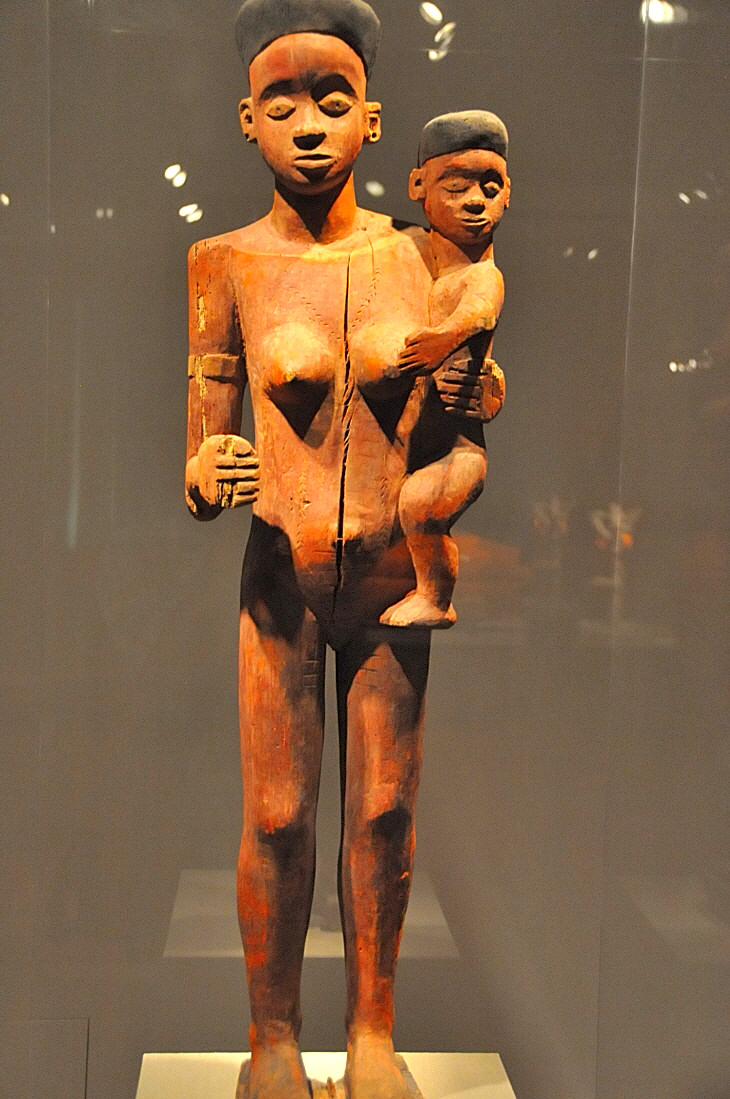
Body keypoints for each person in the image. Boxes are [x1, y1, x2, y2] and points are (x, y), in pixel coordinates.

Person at [184, 2, 476, 1096]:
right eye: (283, 103)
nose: (309, 124)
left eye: (333, 99)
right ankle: (271, 1039)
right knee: (276, 815)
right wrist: (207, 470)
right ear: (247, 120)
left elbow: (461, 420)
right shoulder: (223, 262)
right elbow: (207, 437)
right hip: (281, 577)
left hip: (395, 577)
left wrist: (473, 396)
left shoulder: (422, 256)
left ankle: (372, 1034)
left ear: (373, 119)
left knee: (385, 810)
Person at [379, 110, 510, 629]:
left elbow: (480, 315)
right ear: (419, 187)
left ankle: (435, 597)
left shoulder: (481, 275)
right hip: (406, 445)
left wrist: (442, 343)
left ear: (508, 194)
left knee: (421, 507)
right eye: (456, 187)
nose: (475, 201)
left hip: (457, 449)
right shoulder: (405, 254)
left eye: (489, 188)